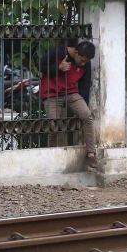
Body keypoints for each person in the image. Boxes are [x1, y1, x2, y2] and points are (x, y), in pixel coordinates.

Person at [39, 40, 98, 168]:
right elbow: (41, 67)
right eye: (82, 60)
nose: (83, 63)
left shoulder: (85, 64)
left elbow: (84, 87)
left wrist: (83, 105)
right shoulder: (57, 53)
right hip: (51, 93)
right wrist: (58, 68)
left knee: (87, 116)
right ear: (76, 53)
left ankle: (91, 154)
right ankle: (51, 153)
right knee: (53, 124)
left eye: (86, 62)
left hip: (70, 93)